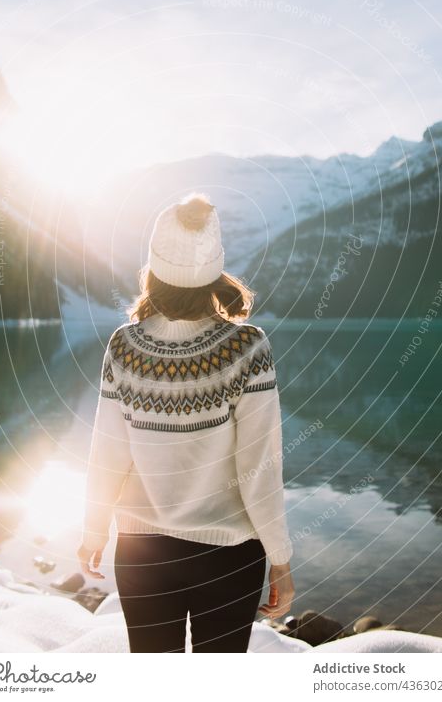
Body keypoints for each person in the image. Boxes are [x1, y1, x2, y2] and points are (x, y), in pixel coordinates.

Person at [77, 191, 295, 652]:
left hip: (142, 556)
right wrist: (280, 558)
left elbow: (107, 454)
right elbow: (259, 468)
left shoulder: (124, 345)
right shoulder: (247, 347)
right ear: (214, 272)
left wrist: (94, 530)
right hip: (229, 557)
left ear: (154, 270)